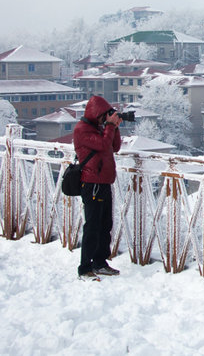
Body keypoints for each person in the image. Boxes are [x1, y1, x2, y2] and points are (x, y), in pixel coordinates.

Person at [73, 95, 123, 280]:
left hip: (104, 182)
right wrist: (109, 126)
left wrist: (114, 127)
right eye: (105, 116)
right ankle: (85, 268)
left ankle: (100, 262)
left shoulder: (100, 128)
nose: (106, 119)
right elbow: (103, 145)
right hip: (92, 183)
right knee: (92, 226)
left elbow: (114, 147)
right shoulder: (82, 130)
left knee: (105, 225)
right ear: (97, 114)